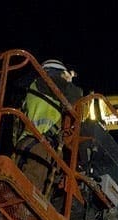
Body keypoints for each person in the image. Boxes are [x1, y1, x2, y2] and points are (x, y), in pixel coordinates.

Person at [14, 59, 83, 195]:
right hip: (37, 142)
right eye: (65, 75)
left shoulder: (45, 92)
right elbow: (75, 95)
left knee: (41, 189)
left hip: (42, 144)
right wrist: (68, 79)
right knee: (30, 186)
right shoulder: (44, 82)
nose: (68, 79)